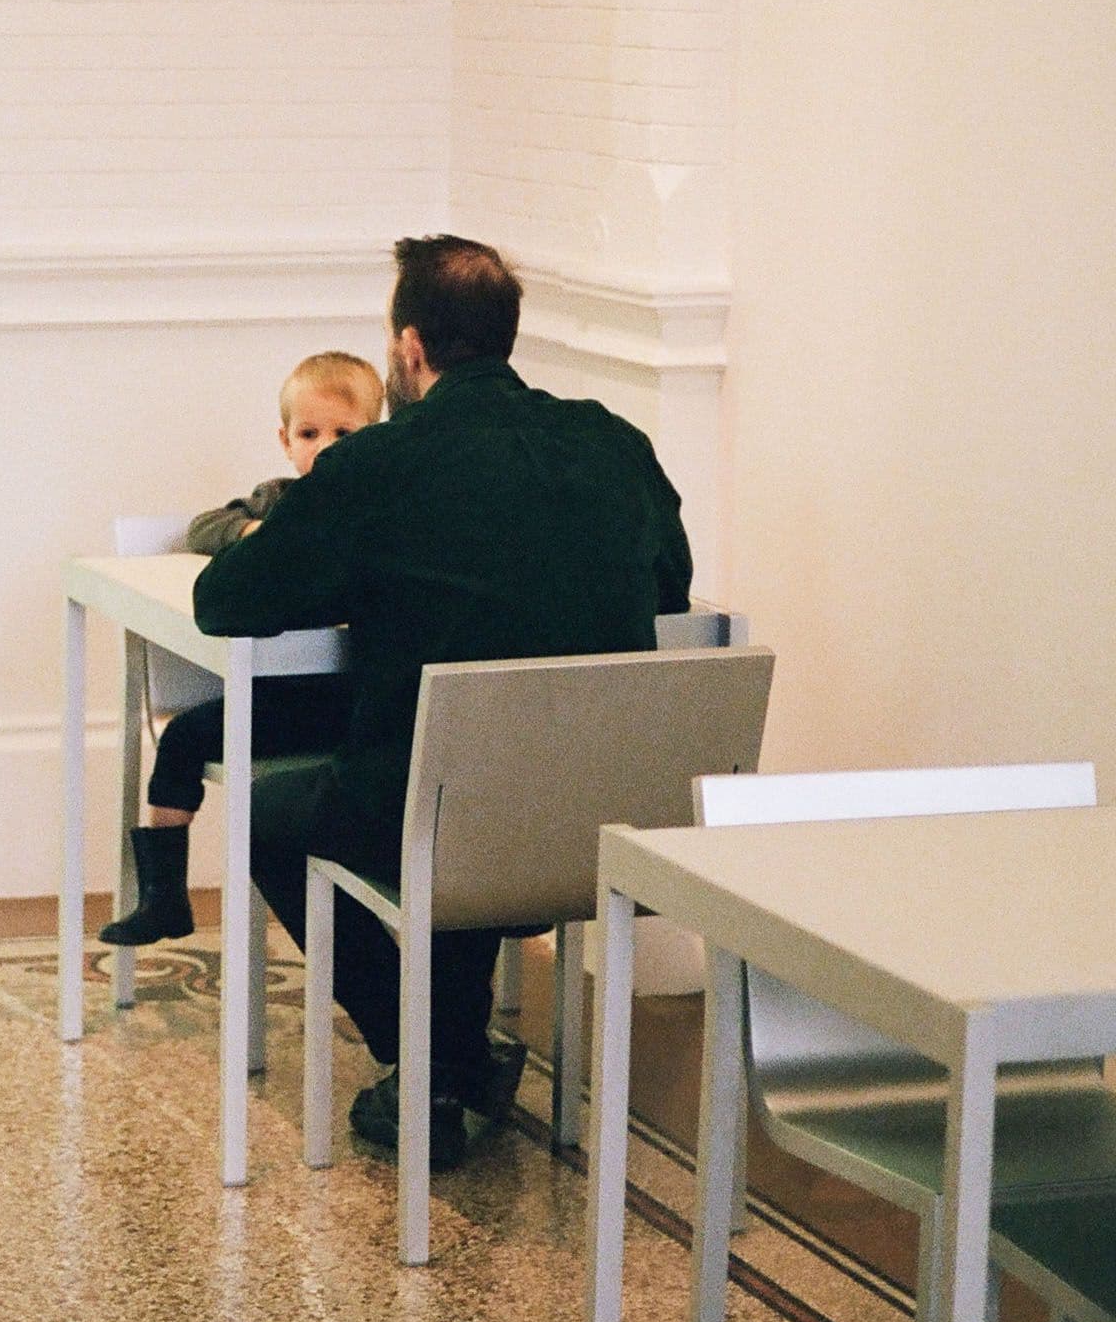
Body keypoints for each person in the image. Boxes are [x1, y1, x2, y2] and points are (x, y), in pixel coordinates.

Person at [192, 235, 692, 1167]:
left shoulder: (377, 466)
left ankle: (433, 1059)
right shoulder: (616, 446)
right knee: (450, 797)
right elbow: (672, 585)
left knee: (275, 815)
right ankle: (452, 1055)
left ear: (410, 349)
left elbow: (228, 603)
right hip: (601, 823)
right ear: (506, 336)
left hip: (446, 814)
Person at [99, 350, 384, 946]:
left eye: (342, 433)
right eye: (309, 433)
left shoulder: (376, 506)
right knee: (180, 738)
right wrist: (255, 533)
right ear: (285, 440)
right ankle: (164, 894)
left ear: (374, 438)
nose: (324, 447)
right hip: (279, 698)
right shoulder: (278, 499)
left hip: (351, 706)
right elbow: (205, 527)